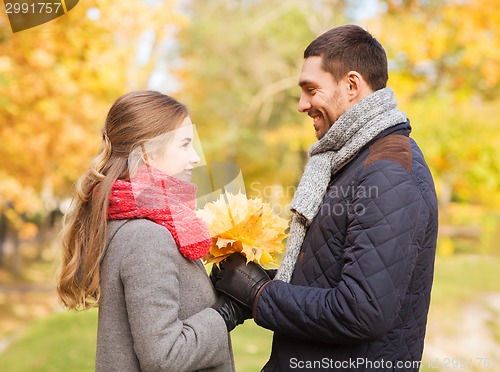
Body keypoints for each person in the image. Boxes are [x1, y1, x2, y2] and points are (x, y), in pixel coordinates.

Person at [211, 24, 438, 371]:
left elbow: (362, 310)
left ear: (351, 85)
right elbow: (326, 275)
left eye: (311, 89)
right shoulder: (352, 159)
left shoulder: (388, 169)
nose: (302, 105)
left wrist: (260, 294)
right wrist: (252, 281)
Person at [56, 91, 249, 372]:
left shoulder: (147, 223)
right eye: (185, 144)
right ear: (146, 152)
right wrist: (227, 314)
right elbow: (165, 357)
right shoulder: (148, 237)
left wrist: (220, 290)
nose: (195, 157)